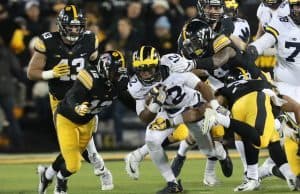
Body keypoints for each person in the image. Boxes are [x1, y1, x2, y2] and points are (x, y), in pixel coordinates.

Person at [26, 5, 113, 193]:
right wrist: (51, 73)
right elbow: (31, 73)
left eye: (77, 26)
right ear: (61, 25)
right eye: (71, 26)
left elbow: (95, 65)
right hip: (60, 100)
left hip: (82, 98)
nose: (74, 30)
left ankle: (48, 174)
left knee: (74, 149)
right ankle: (100, 167)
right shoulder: (47, 41)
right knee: (77, 150)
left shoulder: (90, 39)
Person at [44, 50, 128, 194]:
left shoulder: (117, 80)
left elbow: (128, 99)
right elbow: (72, 96)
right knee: (79, 159)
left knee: (84, 155)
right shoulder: (88, 75)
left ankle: (52, 176)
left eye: (119, 72)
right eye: (115, 72)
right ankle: (102, 172)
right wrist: (77, 106)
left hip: (88, 117)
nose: (118, 76)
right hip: (68, 112)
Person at [247, 0, 300, 188]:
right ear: (290, 7)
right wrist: (254, 49)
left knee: (290, 138)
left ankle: (268, 170)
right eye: (297, 6)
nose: (299, 10)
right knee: (291, 133)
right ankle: (283, 171)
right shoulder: (280, 21)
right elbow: (266, 40)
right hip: (285, 86)